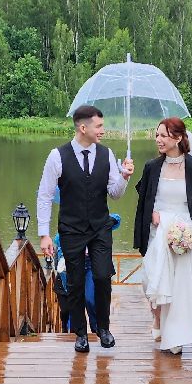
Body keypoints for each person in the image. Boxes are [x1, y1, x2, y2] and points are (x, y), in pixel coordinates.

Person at [37, 104, 134, 352]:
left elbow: (115, 194)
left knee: (102, 276)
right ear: (83, 127)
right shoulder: (57, 156)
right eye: (99, 126)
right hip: (71, 229)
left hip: (100, 227)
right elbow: (44, 196)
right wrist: (44, 234)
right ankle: (80, 333)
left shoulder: (107, 154)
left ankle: (103, 328)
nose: (102, 130)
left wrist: (124, 177)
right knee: (76, 281)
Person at [133, 117, 192, 355]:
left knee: (181, 284)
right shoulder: (152, 167)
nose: (158, 139)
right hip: (158, 231)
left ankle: (176, 337)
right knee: (151, 280)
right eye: (157, 135)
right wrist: (152, 212)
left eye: (163, 135)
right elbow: (144, 194)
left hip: (185, 232)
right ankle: (158, 319)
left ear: (178, 138)